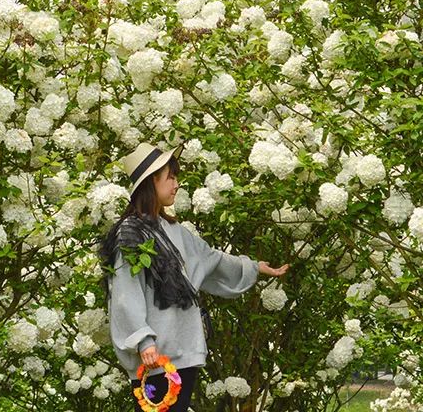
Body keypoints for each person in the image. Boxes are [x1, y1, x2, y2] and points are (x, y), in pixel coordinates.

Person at [97, 140, 290, 412]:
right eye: (171, 177)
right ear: (152, 181)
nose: (176, 184)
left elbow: (210, 259)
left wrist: (254, 267)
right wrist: (143, 340)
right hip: (154, 359)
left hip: (184, 353)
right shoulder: (131, 233)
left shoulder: (173, 230)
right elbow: (126, 294)